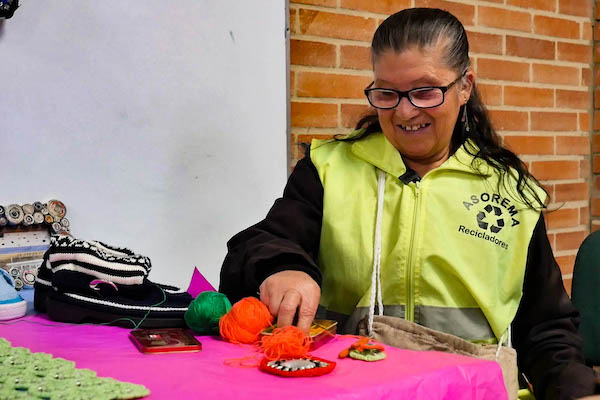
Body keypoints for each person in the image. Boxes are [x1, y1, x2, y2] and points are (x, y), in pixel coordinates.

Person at [220, 8, 598, 400]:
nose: (404, 111)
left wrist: (576, 390)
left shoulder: (510, 192)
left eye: (424, 91)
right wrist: (283, 268)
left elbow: (548, 328)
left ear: (465, 86)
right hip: (353, 390)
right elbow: (256, 247)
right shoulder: (329, 170)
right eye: (387, 93)